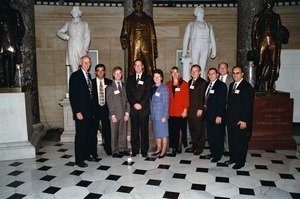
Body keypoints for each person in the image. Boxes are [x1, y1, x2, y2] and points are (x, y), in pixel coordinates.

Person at [251, 0, 289, 92]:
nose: (270, 3)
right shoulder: (258, 16)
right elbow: (254, 31)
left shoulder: (276, 17)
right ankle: (257, 83)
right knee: (260, 62)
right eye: (268, 1)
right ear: (264, 4)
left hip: (274, 41)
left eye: (271, 2)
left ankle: (271, 84)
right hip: (263, 40)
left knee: (273, 63)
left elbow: (280, 29)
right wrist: (254, 44)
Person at [225, 66, 254, 170]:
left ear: (242, 74)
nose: (235, 75)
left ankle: (240, 162)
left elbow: (248, 106)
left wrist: (244, 120)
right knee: (232, 141)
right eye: (233, 73)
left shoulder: (247, 87)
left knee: (241, 142)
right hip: (231, 120)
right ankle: (233, 158)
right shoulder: (232, 85)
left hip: (241, 120)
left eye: (237, 73)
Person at [120, 0, 158, 76]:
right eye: (137, 3)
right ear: (133, 5)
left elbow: (153, 35)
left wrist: (155, 48)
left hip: (146, 45)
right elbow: (124, 33)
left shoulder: (149, 19)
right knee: (133, 67)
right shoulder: (128, 20)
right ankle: (133, 84)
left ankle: (150, 83)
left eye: (140, 3)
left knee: (149, 66)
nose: (139, 5)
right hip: (134, 46)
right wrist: (124, 40)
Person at [69, 55, 93, 168]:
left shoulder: (88, 75)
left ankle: (86, 155)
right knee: (80, 136)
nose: (87, 64)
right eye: (85, 62)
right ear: (80, 62)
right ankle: (79, 160)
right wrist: (77, 111)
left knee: (88, 135)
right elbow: (73, 97)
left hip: (89, 112)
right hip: (81, 113)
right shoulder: (75, 76)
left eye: (88, 63)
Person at [126, 59, 153, 157]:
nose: (137, 67)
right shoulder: (130, 78)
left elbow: (148, 92)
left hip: (143, 108)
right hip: (134, 109)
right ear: (133, 67)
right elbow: (128, 93)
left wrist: (140, 103)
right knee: (134, 130)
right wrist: (134, 103)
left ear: (142, 67)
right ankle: (135, 150)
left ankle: (144, 150)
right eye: (136, 65)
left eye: (139, 65)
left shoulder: (148, 78)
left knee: (144, 130)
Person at [182, 6, 216, 79]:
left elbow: (212, 38)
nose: (202, 13)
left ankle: (202, 82)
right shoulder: (191, 25)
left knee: (203, 66)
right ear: (196, 13)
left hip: (205, 46)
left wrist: (214, 50)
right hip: (195, 45)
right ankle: (194, 82)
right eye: (201, 11)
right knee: (195, 65)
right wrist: (184, 53)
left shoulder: (208, 25)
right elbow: (186, 39)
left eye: (203, 12)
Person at [57, 6, 90, 73]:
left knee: (84, 69)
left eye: (76, 11)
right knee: (74, 70)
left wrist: (85, 49)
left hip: (81, 48)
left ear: (79, 13)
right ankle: (75, 82)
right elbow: (58, 32)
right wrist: (66, 37)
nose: (74, 13)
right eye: (73, 11)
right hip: (72, 48)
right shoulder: (68, 24)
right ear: (71, 13)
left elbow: (87, 36)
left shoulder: (84, 24)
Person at [204, 67, 227, 163]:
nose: (211, 75)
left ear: (217, 75)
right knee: (211, 136)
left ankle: (218, 155)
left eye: (213, 73)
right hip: (208, 116)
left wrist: (219, 115)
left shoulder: (221, 85)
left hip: (217, 116)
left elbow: (222, 102)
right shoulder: (207, 85)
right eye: (209, 74)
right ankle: (213, 152)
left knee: (218, 136)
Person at [106, 66, 130, 158]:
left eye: (119, 73)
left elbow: (127, 101)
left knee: (123, 133)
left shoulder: (124, 86)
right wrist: (112, 115)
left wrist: (127, 113)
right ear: (113, 75)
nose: (118, 75)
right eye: (116, 73)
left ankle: (122, 149)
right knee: (114, 133)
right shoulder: (110, 87)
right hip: (114, 115)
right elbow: (109, 102)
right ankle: (115, 150)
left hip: (123, 114)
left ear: (121, 74)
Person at [0, 0, 25, 87]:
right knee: (1, 66)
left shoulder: (15, 12)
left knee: (12, 65)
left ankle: (11, 83)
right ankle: (3, 83)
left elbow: (21, 28)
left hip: (11, 43)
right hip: (1, 44)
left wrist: (17, 39)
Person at [166, 66, 189, 156]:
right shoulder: (167, 84)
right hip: (171, 111)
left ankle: (179, 146)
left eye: (176, 72)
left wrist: (185, 109)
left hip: (181, 111)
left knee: (180, 130)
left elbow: (186, 98)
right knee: (172, 130)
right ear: (171, 74)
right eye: (173, 72)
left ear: (179, 73)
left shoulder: (184, 84)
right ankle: (173, 147)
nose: (175, 74)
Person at [186, 64, 208, 156]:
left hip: (198, 110)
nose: (194, 72)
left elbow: (203, 97)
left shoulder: (203, 82)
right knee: (192, 129)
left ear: (200, 72)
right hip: (190, 110)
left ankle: (199, 147)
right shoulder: (189, 82)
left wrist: (200, 108)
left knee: (199, 129)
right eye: (192, 71)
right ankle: (194, 145)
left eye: (196, 71)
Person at [91, 64, 113, 156]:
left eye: (102, 70)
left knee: (107, 130)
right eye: (98, 70)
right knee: (93, 131)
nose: (100, 72)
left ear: (104, 72)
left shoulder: (109, 82)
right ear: (96, 72)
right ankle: (93, 151)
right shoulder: (91, 83)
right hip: (94, 110)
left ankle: (108, 148)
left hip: (106, 109)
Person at [150, 69, 169, 159]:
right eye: (155, 76)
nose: (156, 78)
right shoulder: (153, 87)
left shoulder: (164, 88)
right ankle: (158, 149)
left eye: (158, 77)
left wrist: (165, 116)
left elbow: (166, 103)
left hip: (161, 115)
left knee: (163, 134)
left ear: (161, 78)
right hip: (154, 115)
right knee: (157, 134)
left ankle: (163, 151)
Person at [218, 62, 233, 157]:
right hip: (218, 108)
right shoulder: (216, 78)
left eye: (224, 68)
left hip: (227, 108)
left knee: (227, 129)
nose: (222, 69)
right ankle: (220, 146)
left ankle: (227, 148)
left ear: (227, 69)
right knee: (219, 129)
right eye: (220, 68)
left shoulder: (231, 80)